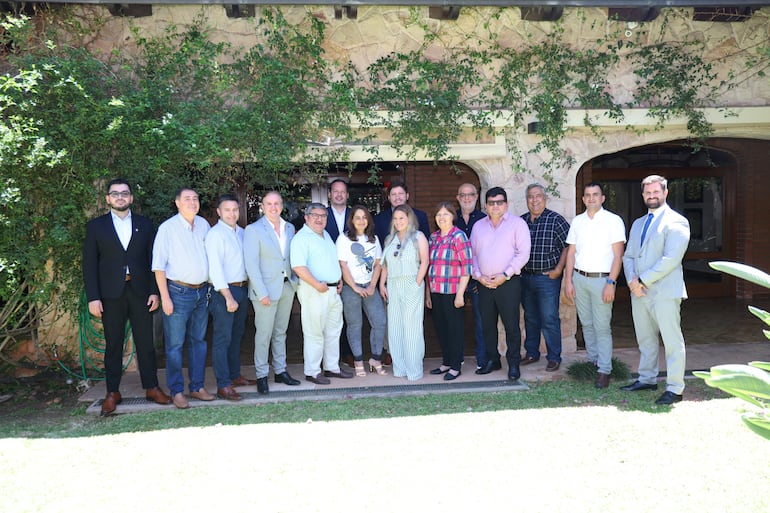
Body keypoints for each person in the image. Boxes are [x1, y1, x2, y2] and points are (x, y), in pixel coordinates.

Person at [83, 178, 171, 416]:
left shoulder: (145, 224)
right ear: (108, 199)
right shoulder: (96, 227)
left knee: (146, 344)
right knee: (113, 345)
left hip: (141, 292)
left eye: (125, 193)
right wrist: (93, 297)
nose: (120, 197)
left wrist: (155, 291)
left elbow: (154, 260)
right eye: (115, 194)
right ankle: (112, 392)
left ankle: (152, 387)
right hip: (110, 295)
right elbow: (89, 265)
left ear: (131, 198)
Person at [621, 175, 690, 405]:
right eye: (648, 193)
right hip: (638, 291)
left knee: (672, 341)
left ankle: (675, 388)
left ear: (665, 193)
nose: (652, 196)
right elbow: (629, 255)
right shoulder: (638, 223)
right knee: (646, 339)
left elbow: (671, 259)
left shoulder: (677, 222)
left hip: (664, 292)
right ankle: (647, 379)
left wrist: (642, 280)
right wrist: (632, 280)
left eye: (656, 192)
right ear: (643, 195)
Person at [152, 187, 213, 409]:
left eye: (196, 198)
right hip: (177, 293)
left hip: (201, 292)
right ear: (177, 203)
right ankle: (177, 391)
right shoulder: (167, 229)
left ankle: (197, 387)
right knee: (175, 345)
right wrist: (165, 298)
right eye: (187, 199)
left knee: (199, 342)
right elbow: (158, 267)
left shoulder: (204, 225)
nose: (192, 202)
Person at [564, 182, 626, 389]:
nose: (591, 198)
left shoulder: (613, 221)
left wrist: (611, 282)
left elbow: (618, 256)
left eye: (595, 194)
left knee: (601, 326)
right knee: (587, 324)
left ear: (602, 198)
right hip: (580, 278)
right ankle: (594, 361)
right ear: (583, 199)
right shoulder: (577, 222)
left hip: (602, 280)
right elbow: (571, 253)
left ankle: (605, 370)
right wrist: (568, 280)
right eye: (588, 195)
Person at [470, 187, 531, 381]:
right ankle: (493, 360)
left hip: (508, 283)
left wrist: (505, 275)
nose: (495, 206)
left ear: (506, 204)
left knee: (511, 325)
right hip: (484, 283)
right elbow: (471, 255)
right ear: (486, 205)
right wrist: (478, 276)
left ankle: (513, 364)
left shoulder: (517, 224)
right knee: (487, 325)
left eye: (499, 202)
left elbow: (523, 254)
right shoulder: (478, 226)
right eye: (491, 202)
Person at [244, 191, 302, 394]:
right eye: (269, 203)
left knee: (280, 332)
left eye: (277, 203)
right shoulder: (253, 230)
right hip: (265, 291)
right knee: (264, 334)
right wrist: (261, 293)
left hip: (286, 287)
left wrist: (295, 281)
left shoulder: (290, 227)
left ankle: (280, 371)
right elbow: (251, 264)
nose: (273, 207)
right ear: (262, 206)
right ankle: (261, 375)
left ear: (282, 205)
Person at [291, 202, 353, 384]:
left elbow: (329, 261)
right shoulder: (301, 238)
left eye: (323, 216)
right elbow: (298, 266)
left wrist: (339, 278)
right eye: (315, 215)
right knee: (314, 332)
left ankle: (331, 367)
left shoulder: (325, 235)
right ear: (307, 217)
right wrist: (317, 284)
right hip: (314, 291)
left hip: (333, 291)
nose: (319, 219)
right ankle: (312, 371)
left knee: (334, 331)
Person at [205, 194, 253, 402]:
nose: (232, 214)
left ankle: (234, 375)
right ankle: (223, 384)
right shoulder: (215, 235)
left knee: (237, 336)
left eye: (235, 210)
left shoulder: (242, 233)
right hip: (224, 292)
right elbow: (215, 269)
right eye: (227, 210)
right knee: (222, 339)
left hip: (242, 289)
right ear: (219, 212)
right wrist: (228, 297)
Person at [520, 184, 570, 372]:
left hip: (547, 278)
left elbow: (568, 245)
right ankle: (532, 353)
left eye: (538, 196)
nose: (534, 200)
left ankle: (554, 357)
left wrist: (559, 269)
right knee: (530, 317)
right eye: (531, 197)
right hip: (525, 278)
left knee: (549, 318)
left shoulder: (555, 220)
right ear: (527, 200)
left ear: (545, 198)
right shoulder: (521, 221)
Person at [379, 205, 429, 380]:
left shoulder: (418, 237)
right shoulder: (389, 239)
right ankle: (399, 368)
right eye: (396, 218)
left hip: (411, 282)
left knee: (412, 328)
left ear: (409, 218)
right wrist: (382, 284)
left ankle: (414, 370)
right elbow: (385, 264)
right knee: (395, 328)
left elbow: (424, 261)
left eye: (402, 218)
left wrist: (417, 283)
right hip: (393, 284)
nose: (399, 221)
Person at [337, 205, 388, 377]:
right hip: (351, 288)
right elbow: (342, 265)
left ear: (368, 220)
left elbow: (378, 263)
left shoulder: (372, 239)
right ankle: (358, 360)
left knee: (380, 321)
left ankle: (375, 358)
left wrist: (373, 285)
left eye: (364, 217)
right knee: (355, 325)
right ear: (351, 220)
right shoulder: (344, 238)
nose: (361, 220)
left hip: (370, 286)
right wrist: (355, 287)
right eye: (357, 217)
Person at [426, 202, 472, 381]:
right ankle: (446, 362)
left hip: (453, 292)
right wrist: (428, 294)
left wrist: (461, 294)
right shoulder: (434, 237)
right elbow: (430, 266)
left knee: (455, 329)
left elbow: (467, 267)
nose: (442, 218)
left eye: (445, 214)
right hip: (436, 291)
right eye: (438, 215)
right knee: (441, 328)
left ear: (453, 216)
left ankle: (455, 366)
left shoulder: (459, 236)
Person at [456, 183, 487, 370]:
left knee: (481, 321)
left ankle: (482, 359)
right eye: (463, 195)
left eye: (470, 194)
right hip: (455, 280)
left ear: (477, 197)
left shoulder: (485, 219)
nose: (467, 198)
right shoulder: (451, 219)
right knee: (455, 321)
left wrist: (477, 277)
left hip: (478, 279)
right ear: (458, 198)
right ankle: (455, 358)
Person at [324, 178, 355, 368]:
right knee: (331, 317)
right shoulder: (321, 215)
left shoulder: (356, 215)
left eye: (342, 191)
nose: (339, 194)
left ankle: (349, 353)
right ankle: (330, 357)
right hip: (328, 273)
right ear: (329, 194)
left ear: (347, 195)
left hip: (352, 273)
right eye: (335, 191)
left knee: (350, 316)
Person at [374, 181, 431, 248]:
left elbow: (426, 244)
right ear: (389, 198)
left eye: (400, 193)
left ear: (407, 196)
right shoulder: (379, 219)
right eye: (393, 194)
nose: (397, 197)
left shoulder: (421, 216)